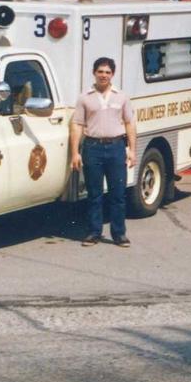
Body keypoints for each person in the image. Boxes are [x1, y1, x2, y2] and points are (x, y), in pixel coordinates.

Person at [71, 57, 137, 247]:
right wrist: (75, 153)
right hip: (93, 148)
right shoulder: (85, 97)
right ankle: (94, 232)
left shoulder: (122, 96)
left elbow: (130, 123)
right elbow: (77, 125)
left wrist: (132, 150)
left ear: (112, 75)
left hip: (116, 148)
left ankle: (119, 234)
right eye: (100, 71)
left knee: (118, 194)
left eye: (107, 72)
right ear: (94, 73)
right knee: (94, 194)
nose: (104, 75)